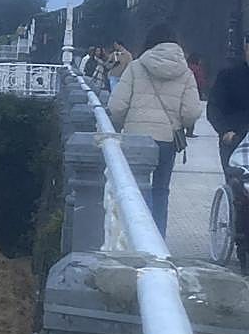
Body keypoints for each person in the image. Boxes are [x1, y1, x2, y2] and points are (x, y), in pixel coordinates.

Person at [107, 25, 201, 234]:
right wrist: (180, 122)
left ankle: (133, 234)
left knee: (133, 190)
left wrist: (123, 124)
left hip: (135, 139)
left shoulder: (136, 66)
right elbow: (191, 112)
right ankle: (157, 238)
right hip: (167, 140)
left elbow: (116, 106)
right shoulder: (185, 72)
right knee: (160, 191)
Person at [207, 35, 249, 171]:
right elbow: (214, 106)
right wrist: (224, 130)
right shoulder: (228, 76)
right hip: (235, 139)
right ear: (245, 49)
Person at [186, 54, 207, 137]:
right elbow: (200, 80)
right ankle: (190, 131)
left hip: (185, 90)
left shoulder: (186, 67)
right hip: (195, 91)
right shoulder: (197, 69)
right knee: (192, 111)